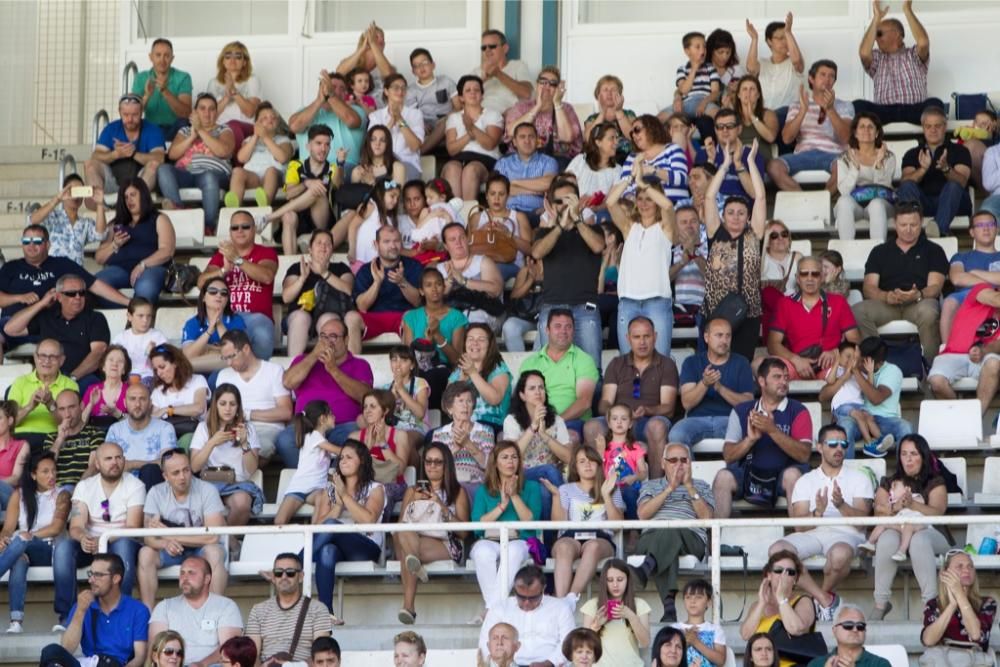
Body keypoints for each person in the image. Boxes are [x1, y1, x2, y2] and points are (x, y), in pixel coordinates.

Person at [768, 423, 874, 621]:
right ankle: (824, 600)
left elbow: (861, 523)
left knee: (840, 555)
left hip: (847, 534)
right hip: (812, 533)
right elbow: (799, 526)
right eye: (832, 443)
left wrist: (841, 504)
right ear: (819, 447)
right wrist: (817, 512)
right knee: (777, 551)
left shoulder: (860, 477)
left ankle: (817, 601)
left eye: (843, 443)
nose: (839, 449)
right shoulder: (806, 480)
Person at [52, 443, 144, 628]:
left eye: (118, 458)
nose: (114, 462)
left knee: (124, 545)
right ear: (97, 463)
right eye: (108, 459)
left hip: (120, 540)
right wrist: (84, 538)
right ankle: (66, 617)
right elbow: (76, 526)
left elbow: (133, 526)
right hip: (92, 543)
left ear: (124, 461)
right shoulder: (85, 486)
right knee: (63, 548)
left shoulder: (135, 485)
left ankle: (121, 612)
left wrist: (104, 539)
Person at [711, 358, 812, 519]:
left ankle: (801, 536)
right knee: (723, 477)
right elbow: (728, 455)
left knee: (793, 475)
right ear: (761, 381)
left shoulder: (799, 410)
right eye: (777, 377)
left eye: (786, 377)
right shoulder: (742, 410)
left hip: (783, 475)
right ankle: (714, 541)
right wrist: (749, 440)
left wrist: (772, 431)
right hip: (748, 474)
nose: (784, 382)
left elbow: (804, 455)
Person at [0, 224, 127, 345]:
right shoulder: (10, 267)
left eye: (37, 241)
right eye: (26, 241)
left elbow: (94, 284)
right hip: (13, 323)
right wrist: (20, 297)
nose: (31, 245)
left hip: (52, 326)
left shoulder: (62, 264)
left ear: (48, 244)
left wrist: (127, 302)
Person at [851, 201, 947, 361]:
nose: (908, 229)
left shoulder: (933, 250)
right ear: (895, 224)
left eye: (913, 225)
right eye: (903, 225)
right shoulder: (880, 251)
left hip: (919, 303)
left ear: (921, 222)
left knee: (929, 312)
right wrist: (886, 296)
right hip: (887, 304)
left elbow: (935, 287)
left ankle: (931, 368)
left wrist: (918, 294)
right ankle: (875, 364)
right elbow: (868, 287)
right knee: (858, 311)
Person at [870, 434, 950, 621]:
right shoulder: (889, 482)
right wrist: (895, 508)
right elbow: (878, 512)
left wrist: (913, 505)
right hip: (898, 531)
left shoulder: (935, 481)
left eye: (913, 454)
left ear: (923, 456)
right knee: (887, 537)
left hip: (929, 533)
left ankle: (930, 606)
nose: (908, 459)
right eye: (904, 454)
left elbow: (937, 513)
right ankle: (880, 604)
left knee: (919, 540)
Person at [586, 317, 678, 478]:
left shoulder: (666, 364)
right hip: (618, 421)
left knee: (657, 426)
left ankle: (654, 488)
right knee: (592, 426)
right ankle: (597, 487)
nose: (642, 342)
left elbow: (668, 408)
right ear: (628, 338)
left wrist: (646, 410)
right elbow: (604, 403)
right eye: (636, 337)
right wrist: (621, 414)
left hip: (648, 421)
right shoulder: (616, 364)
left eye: (646, 336)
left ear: (655, 336)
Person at [633, 443, 714, 622]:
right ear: (663, 464)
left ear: (690, 464)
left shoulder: (701, 486)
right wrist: (670, 488)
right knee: (668, 536)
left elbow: (707, 518)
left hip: (691, 539)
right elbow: (643, 514)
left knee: (671, 530)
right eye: (673, 460)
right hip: (651, 537)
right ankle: (669, 605)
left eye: (684, 460)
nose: (679, 465)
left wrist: (689, 487)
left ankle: (647, 567)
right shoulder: (651, 486)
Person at [138, 451, 228, 609]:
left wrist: (170, 535)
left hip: (201, 549)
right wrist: (165, 544)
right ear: (165, 476)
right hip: (171, 550)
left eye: (186, 470)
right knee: (145, 553)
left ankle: (216, 612)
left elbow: (212, 537)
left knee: (214, 552)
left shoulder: (207, 490)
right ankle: (148, 614)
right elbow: (148, 538)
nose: (182, 477)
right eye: (176, 473)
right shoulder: (156, 492)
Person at [277, 317, 373, 466]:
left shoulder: (360, 365)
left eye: (333, 336)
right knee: (284, 440)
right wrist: (314, 356)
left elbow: (365, 396)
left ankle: (334, 481)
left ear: (346, 340)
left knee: (355, 442)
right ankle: (308, 478)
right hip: (307, 425)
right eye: (323, 336)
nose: (328, 341)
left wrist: (333, 370)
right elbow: (288, 382)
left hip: (343, 426)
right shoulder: (303, 360)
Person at [703, 142, 767, 362]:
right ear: (723, 216)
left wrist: (750, 162)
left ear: (748, 218)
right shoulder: (715, 232)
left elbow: (760, 197)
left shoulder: (754, 234)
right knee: (713, 364)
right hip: (716, 311)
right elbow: (709, 198)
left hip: (748, 313)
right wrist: (725, 165)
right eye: (730, 212)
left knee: (740, 363)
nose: (736, 217)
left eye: (741, 213)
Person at [309, 439, 386, 622]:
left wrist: (344, 496)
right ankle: (326, 611)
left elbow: (368, 521)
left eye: (349, 457)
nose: (342, 461)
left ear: (362, 461)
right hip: (338, 548)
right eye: (341, 457)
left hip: (366, 546)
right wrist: (337, 505)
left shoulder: (376, 488)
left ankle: (295, 564)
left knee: (332, 527)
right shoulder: (330, 490)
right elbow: (318, 529)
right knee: (327, 551)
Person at [394, 441, 470, 624]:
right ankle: (414, 564)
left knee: (406, 550)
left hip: (446, 544)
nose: (432, 466)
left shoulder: (457, 492)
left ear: (447, 465)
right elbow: (400, 524)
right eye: (428, 462)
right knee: (402, 532)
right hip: (414, 539)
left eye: (438, 462)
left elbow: (464, 533)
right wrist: (414, 503)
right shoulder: (412, 491)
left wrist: (440, 505)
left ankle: (409, 605)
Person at [532, 179, 606, 367]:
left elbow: (598, 246)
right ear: (552, 205)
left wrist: (577, 220)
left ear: (578, 201)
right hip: (552, 309)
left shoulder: (593, 229)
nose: (564, 205)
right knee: (549, 370)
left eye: (569, 200)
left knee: (592, 369)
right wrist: (559, 227)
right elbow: (537, 252)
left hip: (585, 308)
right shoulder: (545, 233)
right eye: (559, 201)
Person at [606, 164, 678, 356]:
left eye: (649, 199)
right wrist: (630, 179)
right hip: (628, 302)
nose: (644, 203)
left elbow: (668, 206)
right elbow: (611, 202)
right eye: (640, 198)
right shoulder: (630, 227)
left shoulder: (665, 228)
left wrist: (643, 185)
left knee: (660, 361)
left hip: (657, 301)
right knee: (628, 362)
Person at [470, 441, 542, 619]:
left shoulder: (531, 487)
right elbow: (477, 524)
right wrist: (502, 506)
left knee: (513, 551)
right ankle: (496, 609)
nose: (510, 461)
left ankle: (491, 611)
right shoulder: (484, 490)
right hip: (490, 540)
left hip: (520, 540)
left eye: (514, 457)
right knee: (481, 552)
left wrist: (514, 495)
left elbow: (530, 520)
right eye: (505, 457)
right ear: (495, 463)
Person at [3, 274, 110, 394]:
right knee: (11, 392)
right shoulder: (47, 316)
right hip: (47, 376)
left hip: (81, 377)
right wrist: (41, 303)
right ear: (58, 297)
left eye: (82, 293)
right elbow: (10, 329)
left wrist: (71, 378)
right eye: (71, 293)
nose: (78, 297)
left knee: (92, 389)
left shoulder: (95, 318)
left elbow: (98, 353)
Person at [0, 451, 69, 634]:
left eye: (54, 471)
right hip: (22, 550)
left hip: (49, 550)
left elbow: (55, 528)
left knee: (21, 538)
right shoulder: (19, 495)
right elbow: (7, 528)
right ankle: (16, 621)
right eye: (45, 471)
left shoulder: (62, 495)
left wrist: (28, 535)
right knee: (18, 558)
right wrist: (3, 539)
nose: (51, 476)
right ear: (33, 475)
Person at [41, 553, 150, 667]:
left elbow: (139, 657)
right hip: (89, 662)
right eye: (91, 574)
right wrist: (80, 611)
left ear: (115, 578)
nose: (91, 580)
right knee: (51, 652)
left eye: (98, 575)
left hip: (116, 664)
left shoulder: (138, 610)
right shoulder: (83, 604)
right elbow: (66, 649)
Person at [547, 445, 624, 605]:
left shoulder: (611, 488)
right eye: (582, 461)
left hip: (600, 538)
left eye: (591, 461)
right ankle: (560, 602)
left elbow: (617, 525)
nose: (588, 465)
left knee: (593, 547)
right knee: (563, 548)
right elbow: (558, 524)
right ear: (575, 466)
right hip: (570, 536)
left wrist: (606, 495)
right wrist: (556, 496)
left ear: (598, 464)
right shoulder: (565, 489)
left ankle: (571, 598)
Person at [190, 384, 265, 543]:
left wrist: (245, 444)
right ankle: (232, 546)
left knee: (243, 503)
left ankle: (225, 544)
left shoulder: (248, 429)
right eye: (223, 404)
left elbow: (251, 469)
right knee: (209, 506)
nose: (228, 408)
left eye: (232, 404)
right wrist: (212, 443)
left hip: (238, 482)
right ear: (215, 405)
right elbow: (195, 466)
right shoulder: (204, 428)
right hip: (210, 483)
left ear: (238, 407)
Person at [199, 209, 279, 360]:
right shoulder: (220, 257)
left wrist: (237, 260)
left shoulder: (266, 252)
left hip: (256, 318)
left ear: (254, 229)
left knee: (261, 334)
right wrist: (223, 270)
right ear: (230, 232)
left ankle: (254, 376)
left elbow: (267, 276)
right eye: (235, 227)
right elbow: (201, 282)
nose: (239, 231)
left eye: (245, 226)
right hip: (226, 317)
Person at [767, 255, 861, 379]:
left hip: (830, 363)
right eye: (804, 274)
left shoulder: (838, 302)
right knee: (765, 369)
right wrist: (796, 360)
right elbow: (773, 344)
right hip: (796, 363)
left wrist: (835, 352)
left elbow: (855, 339)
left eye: (815, 274)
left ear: (822, 277)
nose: (809, 279)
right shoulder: (785, 303)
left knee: (846, 371)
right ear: (797, 278)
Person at [254, 124, 342, 257]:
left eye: (327, 144)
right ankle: (291, 264)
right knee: (288, 216)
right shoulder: (296, 166)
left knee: (317, 190)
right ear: (308, 146)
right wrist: (306, 183)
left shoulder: (333, 168)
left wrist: (341, 164)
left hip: (322, 220)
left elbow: (337, 184)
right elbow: (289, 194)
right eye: (318, 143)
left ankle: (268, 218)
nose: (323, 148)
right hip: (298, 220)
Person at [767, 60, 854, 191]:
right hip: (803, 154)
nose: (827, 79)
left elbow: (846, 138)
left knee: (847, 166)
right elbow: (786, 138)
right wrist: (803, 111)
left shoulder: (845, 106)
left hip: (834, 155)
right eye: (823, 74)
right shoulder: (797, 105)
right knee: (773, 166)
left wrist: (830, 109)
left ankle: (824, 200)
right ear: (811, 79)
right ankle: (804, 200)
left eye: (831, 76)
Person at [156, 93, 236, 231]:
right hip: (186, 173)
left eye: (211, 109)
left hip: (214, 174)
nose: (207, 113)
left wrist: (200, 131)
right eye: (202, 108)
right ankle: (179, 210)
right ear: (195, 112)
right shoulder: (185, 131)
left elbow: (223, 151)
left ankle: (208, 226)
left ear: (216, 113)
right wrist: (192, 137)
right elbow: (173, 154)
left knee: (209, 176)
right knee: (163, 169)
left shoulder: (224, 130)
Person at [853, 0, 938, 126]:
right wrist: (876, 19)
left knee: (935, 104)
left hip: (913, 110)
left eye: (879, 33)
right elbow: (864, 53)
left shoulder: (913, 54)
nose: (875, 38)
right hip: (884, 112)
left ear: (897, 34)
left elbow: (923, 42)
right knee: (857, 106)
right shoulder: (877, 58)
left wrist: (907, 10)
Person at [671, 318, 755, 447]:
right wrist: (704, 383)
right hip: (696, 420)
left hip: (730, 420)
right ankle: (688, 468)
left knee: (748, 433)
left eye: (728, 336)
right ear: (706, 337)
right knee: (676, 435)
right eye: (719, 335)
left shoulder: (741, 363)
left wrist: (720, 388)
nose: (724, 340)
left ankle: (732, 468)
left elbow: (748, 404)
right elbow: (687, 403)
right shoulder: (692, 362)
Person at [147, 554, 242, 665]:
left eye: (191, 573)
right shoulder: (164, 607)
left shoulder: (226, 606)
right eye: (182, 573)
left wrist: (202, 664)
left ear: (207, 579)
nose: (185, 578)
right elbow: (157, 648)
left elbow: (229, 649)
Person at [93, 178, 174, 306]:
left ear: (143, 195)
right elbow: (99, 258)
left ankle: (138, 317)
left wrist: (143, 264)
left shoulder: (159, 218)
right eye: (125, 197)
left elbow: (167, 251)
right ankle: (131, 315)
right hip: (121, 269)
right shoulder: (116, 223)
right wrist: (114, 245)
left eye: (133, 195)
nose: (129, 200)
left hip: (151, 268)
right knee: (97, 283)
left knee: (145, 287)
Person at [504, 371, 573, 519]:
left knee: (544, 491)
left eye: (541, 388)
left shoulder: (556, 420)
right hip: (522, 475)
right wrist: (533, 427)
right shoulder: (512, 420)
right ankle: (569, 512)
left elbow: (569, 458)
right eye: (532, 388)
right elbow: (511, 454)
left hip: (551, 477)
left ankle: (551, 538)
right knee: (548, 469)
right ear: (522, 395)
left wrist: (544, 435)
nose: (538, 392)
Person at [217, 330, 293, 462]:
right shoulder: (224, 375)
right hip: (231, 429)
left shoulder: (274, 370)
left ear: (246, 349)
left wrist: (246, 414)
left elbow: (286, 412)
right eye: (225, 358)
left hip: (265, 429)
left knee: (256, 448)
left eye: (232, 356)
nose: (228, 363)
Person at [520, 308, 600, 433]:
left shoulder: (584, 360)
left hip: (571, 422)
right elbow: (522, 399)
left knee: (571, 438)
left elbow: (584, 402)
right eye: (557, 326)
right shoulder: (530, 363)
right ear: (547, 330)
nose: (563, 331)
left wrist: (556, 422)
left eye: (568, 327)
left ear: (573, 330)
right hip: (535, 421)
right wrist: (537, 423)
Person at [479, 565, 575, 666]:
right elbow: (485, 644)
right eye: (521, 597)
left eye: (533, 598)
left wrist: (550, 663)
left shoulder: (560, 608)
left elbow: (569, 643)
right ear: (515, 589)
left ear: (543, 589)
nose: (526, 603)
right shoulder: (499, 609)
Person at [898, 106, 973, 236]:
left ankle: (938, 230)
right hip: (923, 204)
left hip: (953, 204)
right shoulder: (913, 153)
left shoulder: (960, 150)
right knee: (907, 186)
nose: (933, 130)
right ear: (923, 127)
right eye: (928, 126)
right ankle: (914, 232)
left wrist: (946, 169)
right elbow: (905, 182)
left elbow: (962, 182)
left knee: (953, 186)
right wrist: (923, 169)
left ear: (945, 126)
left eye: (937, 126)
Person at [244, 553, 332, 664]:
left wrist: (292, 666)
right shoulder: (258, 610)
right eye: (278, 573)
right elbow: (251, 655)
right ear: (273, 577)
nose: (284, 577)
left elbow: (322, 654)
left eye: (290, 573)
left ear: (301, 577)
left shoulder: (318, 609)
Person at [347, 225, 423, 353]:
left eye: (397, 241)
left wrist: (402, 282)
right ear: (376, 245)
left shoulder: (414, 266)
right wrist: (376, 283)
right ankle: (353, 368)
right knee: (351, 317)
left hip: (403, 317)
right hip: (373, 318)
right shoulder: (366, 270)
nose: (393, 246)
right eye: (387, 242)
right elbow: (362, 306)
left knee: (412, 316)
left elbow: (418, 302)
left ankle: (410, 366)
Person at [928, 281, 1000, 414]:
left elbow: (997, 345)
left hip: (983, 357)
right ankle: (959, 417)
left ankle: (975, 419)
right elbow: (996, 300)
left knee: (994, 363)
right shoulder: (982, 289)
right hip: (954, 353)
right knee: (936, 381)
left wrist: (983, 351)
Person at [280, 229, 354, 359]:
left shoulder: (341, 268)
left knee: (328, 320)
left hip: (329, 316)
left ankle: (329, 368)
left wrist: (324, 273)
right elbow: (286, 297)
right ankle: (294, 367)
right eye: (319, 243)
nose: (323, 246)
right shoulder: (298, 267)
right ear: (310, 249)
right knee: (301, 317)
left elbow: (348, 290)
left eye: (328, 243)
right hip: (299, 316)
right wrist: (302, 279)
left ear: (332, 250)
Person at [401, 268, 468, 406]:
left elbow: (457, 360)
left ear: (444, 287)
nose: (434, 289)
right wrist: (426, 344)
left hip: (445, 371)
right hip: (417, 370)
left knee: (435, 376)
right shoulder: (411, 317)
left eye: (438, 284)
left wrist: (438, 335)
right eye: (428, 285)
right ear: (421, 290)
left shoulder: (457, 317)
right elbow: (407, 357)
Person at [738, 550, 816, 667]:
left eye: (790, 572)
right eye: (779, 571)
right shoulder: (757, 605)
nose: (783, 575)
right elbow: (745, 635)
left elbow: (795, 629)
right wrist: (762, 603)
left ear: (795, 579)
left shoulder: (803, 601)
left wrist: (782, 598)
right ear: (769, 575)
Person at [919, 549, 997, 665]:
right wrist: (952, 606)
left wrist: (960, 595)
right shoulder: (934, 604)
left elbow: (975, 634)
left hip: (974, 661)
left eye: (970, 566)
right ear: (944, 573)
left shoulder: (987, 603)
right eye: (959, 566)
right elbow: (928, 640)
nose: (966, 570)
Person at [505, 66, 583, 170]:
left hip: (557, 159)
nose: (547, 86)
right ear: (537, 85)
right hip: (521, 158)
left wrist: (557, 103)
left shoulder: (566, 109)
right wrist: (537, 107)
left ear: (558, 88)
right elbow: (511, 131)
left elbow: (567, 137)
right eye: (543, 81)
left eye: (552, 83)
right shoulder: (521, 107)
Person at [834, 112, 897, 241]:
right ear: (855, 133)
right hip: (855, 204)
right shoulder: (844, 157)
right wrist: (855, 168)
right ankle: (846, 250)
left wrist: (879, 164)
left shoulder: (888, 156)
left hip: (882, 203)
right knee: (843, 202)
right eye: (861, 127)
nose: (866, 130)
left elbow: (883, 188)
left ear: (877, 132)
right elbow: (845, 191)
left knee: (876, 204)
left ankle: (878, 251)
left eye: (870, 127)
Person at [940, 210, 1000, 342]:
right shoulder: (960, 256)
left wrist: (974, 273)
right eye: (980, 225)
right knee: (949, 302)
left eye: (990, 224)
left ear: (997, 229)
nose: (986, 229)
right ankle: (947, 348)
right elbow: (957, 278)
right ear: (972, 232)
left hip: (996, 296)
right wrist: (990, 281)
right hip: (967, 296)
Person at [431, 382, 495, 501]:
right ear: (450, 408)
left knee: (462, 493)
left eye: (469, 401)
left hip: (475, 484)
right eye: (460, 401)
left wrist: (468, 444)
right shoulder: (439, 434)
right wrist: (455, 449)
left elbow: (490, 467)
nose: (465, 405)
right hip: (449, 485)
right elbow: (434, 466)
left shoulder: (485, 431)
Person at [443, 75, 504, 201]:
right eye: (468, 90)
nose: (473, 93)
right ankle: (456, 216)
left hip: (485, 160)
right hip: (459, 158)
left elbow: (490, 144)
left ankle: (469, 216)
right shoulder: (454, 118)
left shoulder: (493, 114)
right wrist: (470, 135)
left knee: (471, 170)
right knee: (451, 168)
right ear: (461, 97)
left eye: (476, 90)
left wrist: (470, 126)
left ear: (482, 95)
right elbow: (452, 149)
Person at [10, 340, 79, 450]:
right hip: (20, 439)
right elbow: (9, 423)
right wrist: (29, 407)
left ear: (61, 360)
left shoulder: (70, 385)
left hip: (52, 438)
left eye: (53, 357)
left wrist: (51, 405)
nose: (47, 361)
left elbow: (71, 424)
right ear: (35, 357)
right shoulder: (20, 382)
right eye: (42, 356)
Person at [580, 558, 650, 666]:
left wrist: (632, 617)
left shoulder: (639, 604)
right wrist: (595, 626)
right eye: (610, 580)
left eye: (620, 579)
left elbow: (645, 643)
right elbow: (582, 646)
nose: (615, 585)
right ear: (604, 582)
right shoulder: (592, 605)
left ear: (628, 580)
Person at [288, 70, 365, 168]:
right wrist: (319, 100)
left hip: (344, 167)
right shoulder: (305, 111)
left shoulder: (356, 110)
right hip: (309, 169)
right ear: (321, 89)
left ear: (346, 93)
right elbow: (294, 126)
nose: (337, 91)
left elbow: (352, 121)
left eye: (342, 88)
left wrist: (331, 96)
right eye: (332, 87)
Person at [226, 102, 294, 208]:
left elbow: (282, 158)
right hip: (253, 178)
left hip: (274, 178)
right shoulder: (249, 140)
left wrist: (266, 137)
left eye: (273, 117)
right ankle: (233, 207)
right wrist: (255, 136)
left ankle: (264, 205)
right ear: (257, 123)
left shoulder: (284, 140)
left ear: (278, 122)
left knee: (271, 171)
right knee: (237, 171)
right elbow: (241, 158)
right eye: (264, 118)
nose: (270, 119)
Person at [437, 223, 505, 328]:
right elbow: (434, 300)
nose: (458, 242)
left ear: (468, 239)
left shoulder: (483, 261)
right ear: (445, 245)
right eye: (452, 239)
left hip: (485, 311)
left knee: (470, 318)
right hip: (453, 313)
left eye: (462, 237)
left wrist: (464, 281)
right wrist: (450, 281)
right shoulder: (440, 268)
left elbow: (496, 290)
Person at [31, 174, 108, 267]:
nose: (75, 196)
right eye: (72, 191)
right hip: (54, 271)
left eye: (79, 191)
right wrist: (58, 199)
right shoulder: (53, 216)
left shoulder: (85, 223)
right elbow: (34, 220)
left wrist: (100, 204)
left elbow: (100, 234)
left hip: (76, 274)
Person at [447, 323, 511, 433]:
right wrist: (462, 379)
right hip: (460, 425)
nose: (475, 343)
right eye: (470, 339)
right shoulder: (458, 371)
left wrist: (472, 373)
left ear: (489, 344)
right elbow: (448, 405)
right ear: (465, 344)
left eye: (481, 339)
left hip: (490, 425)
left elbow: (494, 399)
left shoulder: (498, 368)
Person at [696, 109, 769, 202]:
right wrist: (710, 161)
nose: (725, 130)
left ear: (739, 129)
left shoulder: (752, 155)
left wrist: (738, 164)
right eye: (720, 127)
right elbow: (698, 192)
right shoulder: (703, 154)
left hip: (739, 211)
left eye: (730, 126)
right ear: (715, 130)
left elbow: (755, 194)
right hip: (712, 209)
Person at [180, 276, 247, 375]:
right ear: (203, 297)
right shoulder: (192, 323)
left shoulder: (236, 320)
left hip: (229, 373)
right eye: (213, 291)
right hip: (197, 376)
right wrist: (209, 331)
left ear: (227, 299)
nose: (219, 295)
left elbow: (235, 354)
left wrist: (218, 325)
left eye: (224, 293)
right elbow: (188, 355)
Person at [494, 123, 559, 220]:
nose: (527, 141)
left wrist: (515, 182)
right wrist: (533, 190)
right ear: (515, 142)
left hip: (536, 213)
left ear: (537, 140)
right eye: (522, 137)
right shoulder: (503, 163)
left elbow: (548, 183)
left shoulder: (548, 162)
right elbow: (499, 190)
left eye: (531, 137)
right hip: (508, 212)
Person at [204, 41, 262, 149]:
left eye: (238, 57)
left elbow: (250, 112)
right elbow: (209, 116)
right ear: (223, 61)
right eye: (228, 56)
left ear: (244, 62)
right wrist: (226, 98)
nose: (232, 60)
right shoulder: (214, 83)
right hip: (219, 129)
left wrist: (233, 90)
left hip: (245, 127)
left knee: (233, 125)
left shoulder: (252, 80)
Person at [367, 74, 424, 181]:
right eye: (396, 87)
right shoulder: (375, 116)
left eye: (403, 88)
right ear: (386, 91)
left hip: (408, 163)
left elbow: (415, 146)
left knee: (397, 170)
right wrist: (390, 124)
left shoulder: (415, 114)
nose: (400, 91)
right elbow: (371, 145)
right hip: (381, 164)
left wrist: (400, 120)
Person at [619, 114, 689, 203]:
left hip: (674, 206)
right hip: (643, 210)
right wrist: (636, 202)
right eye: (631, 133)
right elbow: (624, 188)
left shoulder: (672, 149)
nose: (633, 135)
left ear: (651, 128)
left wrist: (653, 170)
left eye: (637, 130)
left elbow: (682, 179)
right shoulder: (631, 158)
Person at [132, 38, 192, 139]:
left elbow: (186, 114)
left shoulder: (183, 77)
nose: (162, 60)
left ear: (172, 58)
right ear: (151, 57)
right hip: (150, 128)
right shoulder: (140, 77)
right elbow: (132, 112)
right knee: (133, 125)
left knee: (184, 122)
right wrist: (147, 96)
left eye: (167, 56)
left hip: (175, 128)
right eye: (158, 55)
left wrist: (165, 91)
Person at [745, 14, 805, 113]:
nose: (785, 42)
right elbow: (750, 68)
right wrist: (754, 39)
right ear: (769, 41)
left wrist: (788, 33)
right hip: (765, 114)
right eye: (781, 38)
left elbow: (797, 61)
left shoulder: (793, 62)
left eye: (786, 37)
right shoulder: (763, 63)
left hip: (788, 115)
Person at [45, 390, 104, 489]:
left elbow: (93, 467)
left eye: (71, 407)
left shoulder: (95, 433)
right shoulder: (52, 438)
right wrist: (59, 439)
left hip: (84, 488)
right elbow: (46, 467)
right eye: (62, 409)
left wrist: (78, 490)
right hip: (55, 490)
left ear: (81, 406)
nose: (67, 414)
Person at [406, 47, 459, 152]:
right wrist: (422, 124)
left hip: (446, 122)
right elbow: (411, 115)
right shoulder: (411, 90)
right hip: (426, 126)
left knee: (448, 122)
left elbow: (459, 106)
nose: (421, 67)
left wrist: (447, 117)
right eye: (416, 65)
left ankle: (421, 152)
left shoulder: (445, 81)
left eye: (424, 62)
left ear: (433, 65)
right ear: (413, 71)